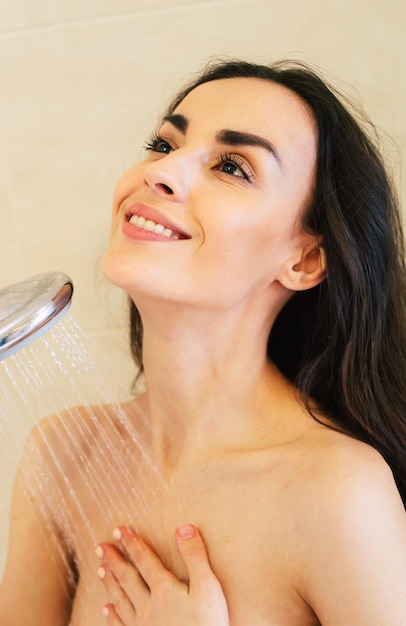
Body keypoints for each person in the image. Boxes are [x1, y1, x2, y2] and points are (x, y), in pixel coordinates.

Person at [1, 58, 406, 625]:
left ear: (306, 258)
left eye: (233, 167)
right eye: (163, 145)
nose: (159, 173)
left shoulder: (337, 493)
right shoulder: (64, 456)